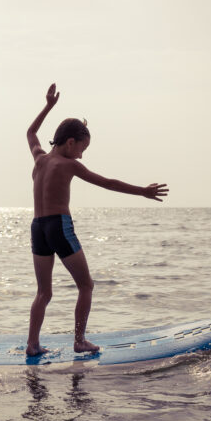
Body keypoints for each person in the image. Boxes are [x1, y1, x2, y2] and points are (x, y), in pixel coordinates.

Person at [26, 83, 169, 356]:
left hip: (38, 228)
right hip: (59, 226)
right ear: (71, 143)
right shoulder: (69, 164)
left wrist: (48, 106)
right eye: (82, 148)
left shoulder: (40, 159)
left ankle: (32, 345)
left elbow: (31, 132)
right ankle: (79, 341)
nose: (82, 154)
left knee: (43, 292)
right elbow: (108, 183)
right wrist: (143, 192)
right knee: (86, 285)